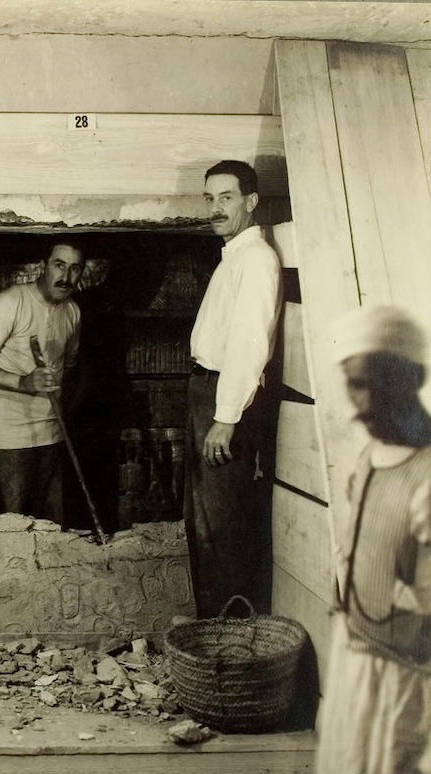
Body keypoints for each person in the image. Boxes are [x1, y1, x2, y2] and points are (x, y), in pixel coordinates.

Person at [314, 303, 431, 774]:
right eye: (350, 383)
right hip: (358, 677)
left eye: (369, 384)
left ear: (408, 377)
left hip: (408, 696)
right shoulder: (368, 457)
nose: (356, 403)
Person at [183, 160, 283, 617]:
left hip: (226, 401)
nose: (215, 208)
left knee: (221, 526)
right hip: (209, 392)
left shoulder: (256, 259)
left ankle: (229, 636)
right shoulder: (234, 256)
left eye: (226, 197)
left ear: (251, 201)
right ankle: (214, 631)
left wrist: (225, 419)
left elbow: (249, 343)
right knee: (205, 521)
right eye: (210, 198)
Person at [0, 240, 85, 525]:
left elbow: (68, 366)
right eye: (59, 265)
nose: (66, 277)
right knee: (12, 526)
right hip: (9, 436)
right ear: (43, 267)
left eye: (75, 269)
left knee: (52, 525)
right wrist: (23, 382)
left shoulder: (73, 312)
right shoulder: (10, 303)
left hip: (52, 431)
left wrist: (66, 406)